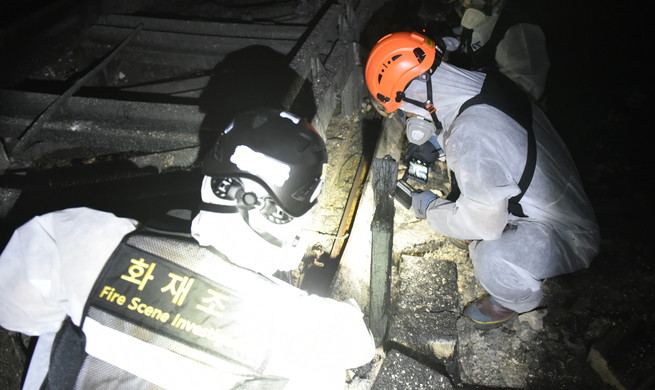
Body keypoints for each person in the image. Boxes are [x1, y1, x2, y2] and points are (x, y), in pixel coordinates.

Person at [0, 108, 375, 389]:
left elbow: (11, 307)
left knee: (69, 313)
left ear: (211, 177)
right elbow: (358, 347)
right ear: (291, 211)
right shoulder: (296, 323)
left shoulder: (91, 239)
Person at [364, 31, 599, 329]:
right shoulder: (482, 81)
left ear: (413, 92)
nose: (407, 114)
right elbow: (470, 133)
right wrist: (436, 143)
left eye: (403, 108)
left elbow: (484, 225)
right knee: (468, 207)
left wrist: (430, 209)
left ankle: (513, 300)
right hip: (551, 200)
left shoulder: (471, 134)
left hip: (569, 236)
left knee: (489, 256)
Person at [429, 0, 551, 105]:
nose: (462, 5)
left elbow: (522, 100)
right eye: (457, 0)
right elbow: (470, 43)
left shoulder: (517, 33)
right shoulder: (484, 18)